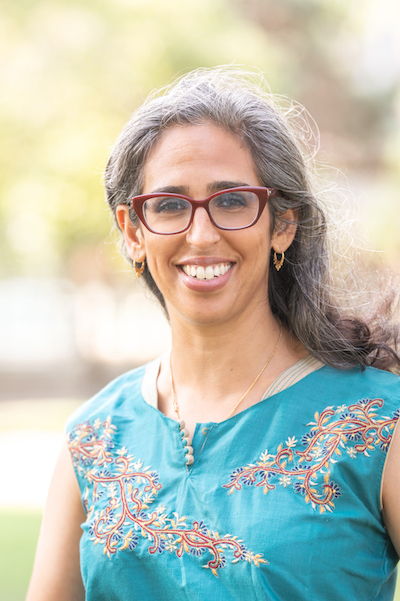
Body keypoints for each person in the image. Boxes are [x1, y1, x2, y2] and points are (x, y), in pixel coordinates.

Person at [27, 67, 400, 601]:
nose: (201, 235)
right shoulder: (93, 439)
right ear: (134, 233)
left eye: (231, 200)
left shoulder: (380, 423)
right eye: (170, 205)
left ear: (283, 224)